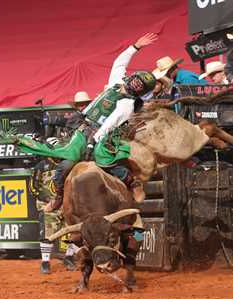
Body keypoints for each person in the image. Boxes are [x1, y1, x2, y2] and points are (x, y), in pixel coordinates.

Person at [38, 33, 158, 212]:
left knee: (104, 160)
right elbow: (119, 62)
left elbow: (111, 122)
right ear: (133, 78)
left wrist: (94, 140)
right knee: (66, 162)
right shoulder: (116, 82)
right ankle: (59, 196)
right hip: (83, 124)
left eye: (141, 86)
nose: (136, 85)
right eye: (137, 81)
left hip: (103, 132)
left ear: (142, 92)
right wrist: (135, 47)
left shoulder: (128, 103)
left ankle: (132, 182)